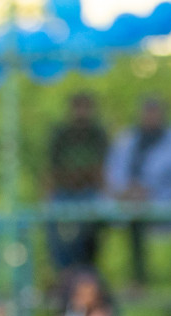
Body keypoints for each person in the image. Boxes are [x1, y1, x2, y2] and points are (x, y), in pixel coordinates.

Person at [105, 97, 171, 287]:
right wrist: (127, 192)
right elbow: (113, 176)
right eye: (147, 112)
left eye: (155, 112)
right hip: (127, 207)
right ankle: (131, 281)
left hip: (165, 204)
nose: (151, 117)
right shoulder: (127, 139)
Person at [47, 91, 109, 271]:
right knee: (57, 229)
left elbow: (102, 170)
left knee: (92, 228)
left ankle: (88, 272)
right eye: (78, 107)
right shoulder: (61, 134)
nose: (81, 112)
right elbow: (51, 169)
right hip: (64, 193)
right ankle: (64, 273)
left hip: (90, 192)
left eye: (85, 107)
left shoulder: (98, 134)